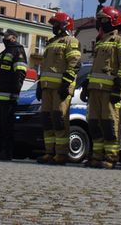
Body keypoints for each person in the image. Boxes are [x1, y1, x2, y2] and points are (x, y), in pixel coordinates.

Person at [80, 6, 121, 169]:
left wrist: (119, 88)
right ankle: (97, 156)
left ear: (114, 21)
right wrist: (87, 85)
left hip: (110, 92)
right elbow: (95, 67)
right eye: (100, 20)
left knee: (110, 124)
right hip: (95, 90)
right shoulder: (101, 41)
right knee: (95, 123)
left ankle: (110, 157)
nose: (101, 23)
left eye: (104, 20)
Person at [36, 12, 81, 165]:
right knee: (47, 119)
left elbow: (74, 63)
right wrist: (39, 85)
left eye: (56, 24)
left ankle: (61, 154)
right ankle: (49, 152)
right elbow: (44, 66)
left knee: (59, 119)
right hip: (47, 88)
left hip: (60, 88)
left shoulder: (71, 41)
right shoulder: (51, 42)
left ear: (64, 25)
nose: (53, 27)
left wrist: (66, 83)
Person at [0, 29, 28, 161]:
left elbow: (20, 73)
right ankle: (0, 150)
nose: (3, 38)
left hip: (9, 96)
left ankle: (7, 152)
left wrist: (15, 91)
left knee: (6, 126)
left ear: (13, 38)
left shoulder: (18, 51)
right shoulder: (4, 53)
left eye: (6, 36)